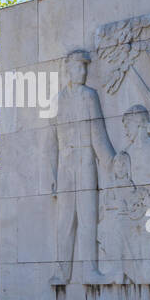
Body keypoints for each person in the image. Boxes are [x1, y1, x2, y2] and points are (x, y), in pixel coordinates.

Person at [46, 49, 119, 286]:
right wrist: (53, 175)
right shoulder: (57, 101)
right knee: (65, 220)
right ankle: (61, 272)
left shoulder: (90, 96)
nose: (83, 71)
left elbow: (98, 135)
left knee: (88, 217)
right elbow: (50, 142)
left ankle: (90, 271)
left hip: (86, 161)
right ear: (68, 68)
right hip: (66, 164)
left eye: (85, 67)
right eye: (79, 67)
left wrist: (113, 165)